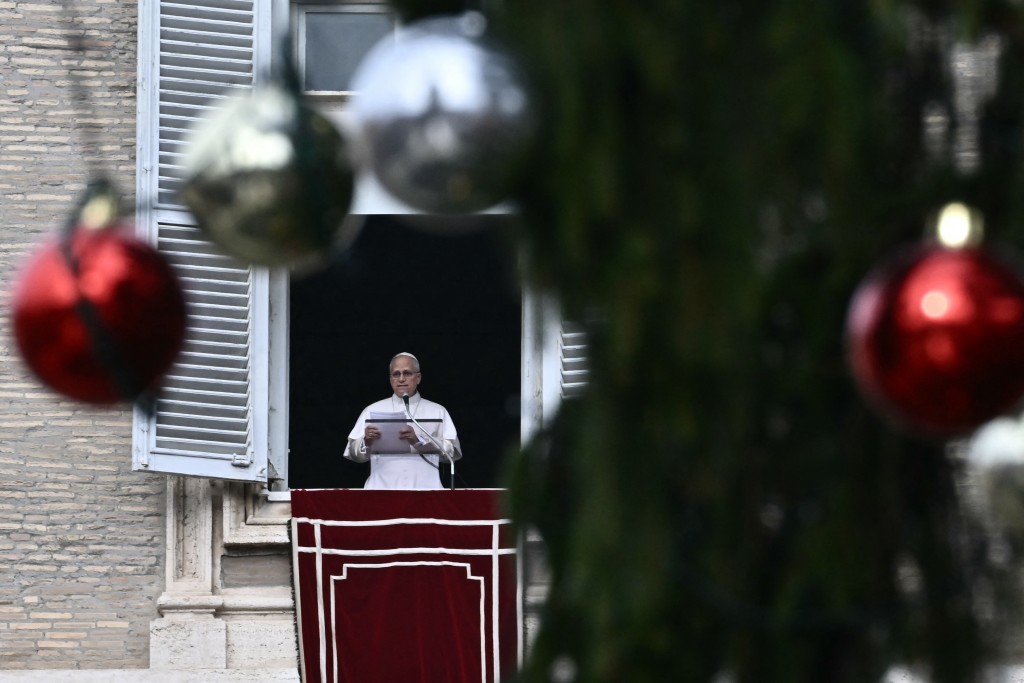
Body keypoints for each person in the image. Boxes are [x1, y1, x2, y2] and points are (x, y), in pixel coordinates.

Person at [344, 352, 462, 489]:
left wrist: (419, 441)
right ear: (390, 379)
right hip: (381, 491)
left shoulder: (438, 411)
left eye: (407, 373)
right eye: (396, 374)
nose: (401, 379)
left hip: (427, 492)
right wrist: (365, 442)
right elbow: (353, 454)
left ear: (418, 378)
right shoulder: (371, 411)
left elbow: (453, 453)